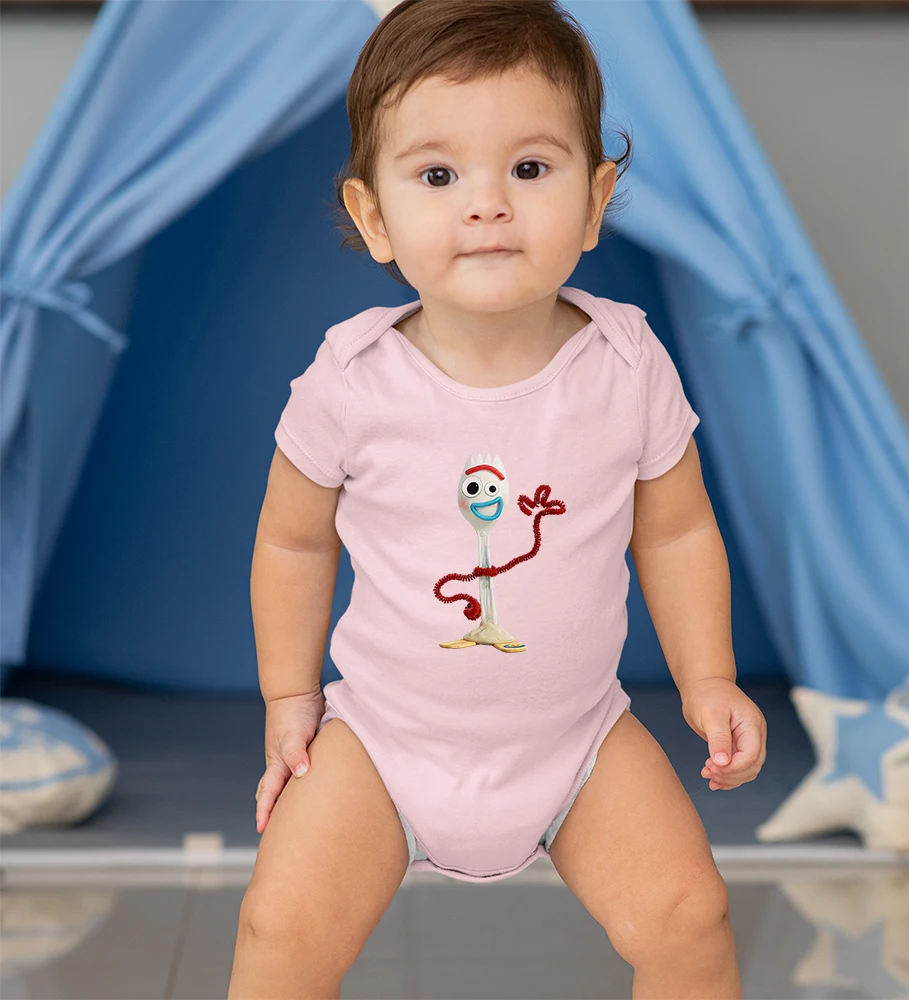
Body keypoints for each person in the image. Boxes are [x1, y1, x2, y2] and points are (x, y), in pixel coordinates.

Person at [228, 1, 766, 997]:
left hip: (577, 740)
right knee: (280, 926)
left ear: (596, 201)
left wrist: (708, 677)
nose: (487, 205)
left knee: (689, 915)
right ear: (373, 217)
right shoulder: (349, 378)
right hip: (382, 741)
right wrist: (290, 698)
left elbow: (677, 531)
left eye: (529, 168)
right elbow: (294, 543)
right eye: (438, 176)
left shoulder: (627, 362)